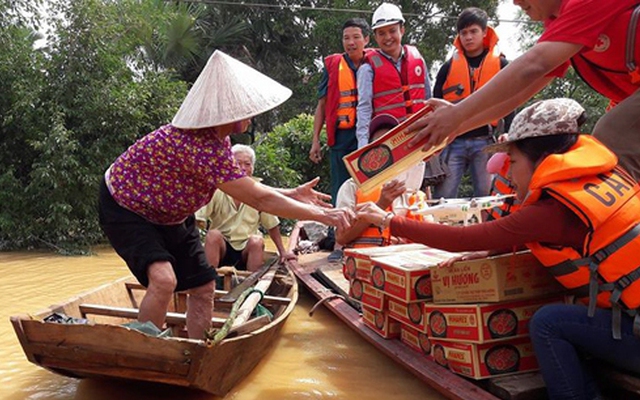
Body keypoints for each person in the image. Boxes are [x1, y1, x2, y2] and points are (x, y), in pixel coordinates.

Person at [357, 98, 640, 399]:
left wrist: (389, 220)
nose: (509, 173)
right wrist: (491, 250)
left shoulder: (551, 210)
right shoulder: (604, 179)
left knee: (547, 323)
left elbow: (466, 238)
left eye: (514, 162)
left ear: (542, 159)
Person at [98, 50, 353, 340]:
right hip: (126, 209)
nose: (251, 113)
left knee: (205, 287)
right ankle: (143, 356)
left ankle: (196, 352)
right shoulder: (196, 145)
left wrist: (291, 193)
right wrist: (326, 215)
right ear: (228, 112)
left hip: (170, 217)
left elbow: (243, 186)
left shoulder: (219, 141)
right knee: (164, 280)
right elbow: (259, 199)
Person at [408, 0, 640, 183]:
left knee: (611, 136)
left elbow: (533, 65)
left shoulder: (586, 3)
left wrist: (458, 113)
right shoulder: (558, 23)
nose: (516, 2)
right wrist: (458, 127)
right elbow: (521, 92)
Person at [432, 7, 515, 198]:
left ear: (485, 32)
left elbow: (511, 100)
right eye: (464, 33)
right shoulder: (447, 67)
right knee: (443, 194)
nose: (468, 37)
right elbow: (436, 105)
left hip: (484, 141)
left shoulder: (501, 65)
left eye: (473, 31)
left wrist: (508, 131)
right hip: (454, 141)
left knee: (488, 196)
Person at [309, 18, 371, 262]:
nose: (351, 42)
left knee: (369, 188)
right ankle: (338, 241)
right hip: (342, 136)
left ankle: (370, 238)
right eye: (346, 38)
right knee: (339, 190)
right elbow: (322, 104)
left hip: (369, 135)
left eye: (356, 37)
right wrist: (316, 139)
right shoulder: (333, 65)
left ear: (367, 39)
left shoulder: (376, 62)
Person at [196, 144, 297, 272]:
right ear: (230, 165)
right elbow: (198, 219)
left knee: (257, 241)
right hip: (222, 247)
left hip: (246, 249)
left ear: (253, 168)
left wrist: (282, 252)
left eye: (247, 164)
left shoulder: (259, 191)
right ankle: (208, 279)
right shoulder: (217, 188)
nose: (243, 168)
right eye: (238, 163)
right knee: (213, 235)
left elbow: (271, 225)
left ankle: (252, 285)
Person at [355, 2, 431, 149]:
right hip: (389, 142)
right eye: (381, 33)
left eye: (392, 31)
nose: (388, 37)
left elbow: (428, 98)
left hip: (419, 136)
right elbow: (364, 109)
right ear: (375, 37)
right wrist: (363, 147)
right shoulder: (367, 68)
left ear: (402, 30)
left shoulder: (418, 59)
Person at [335, 114, 407, 248]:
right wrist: (380, 205)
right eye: (380, 143)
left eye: (392, 142)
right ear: (370, 149)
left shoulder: (411, 183)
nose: (386, 149)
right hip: (365, 265)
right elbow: (341, 237)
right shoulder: (352, 186)